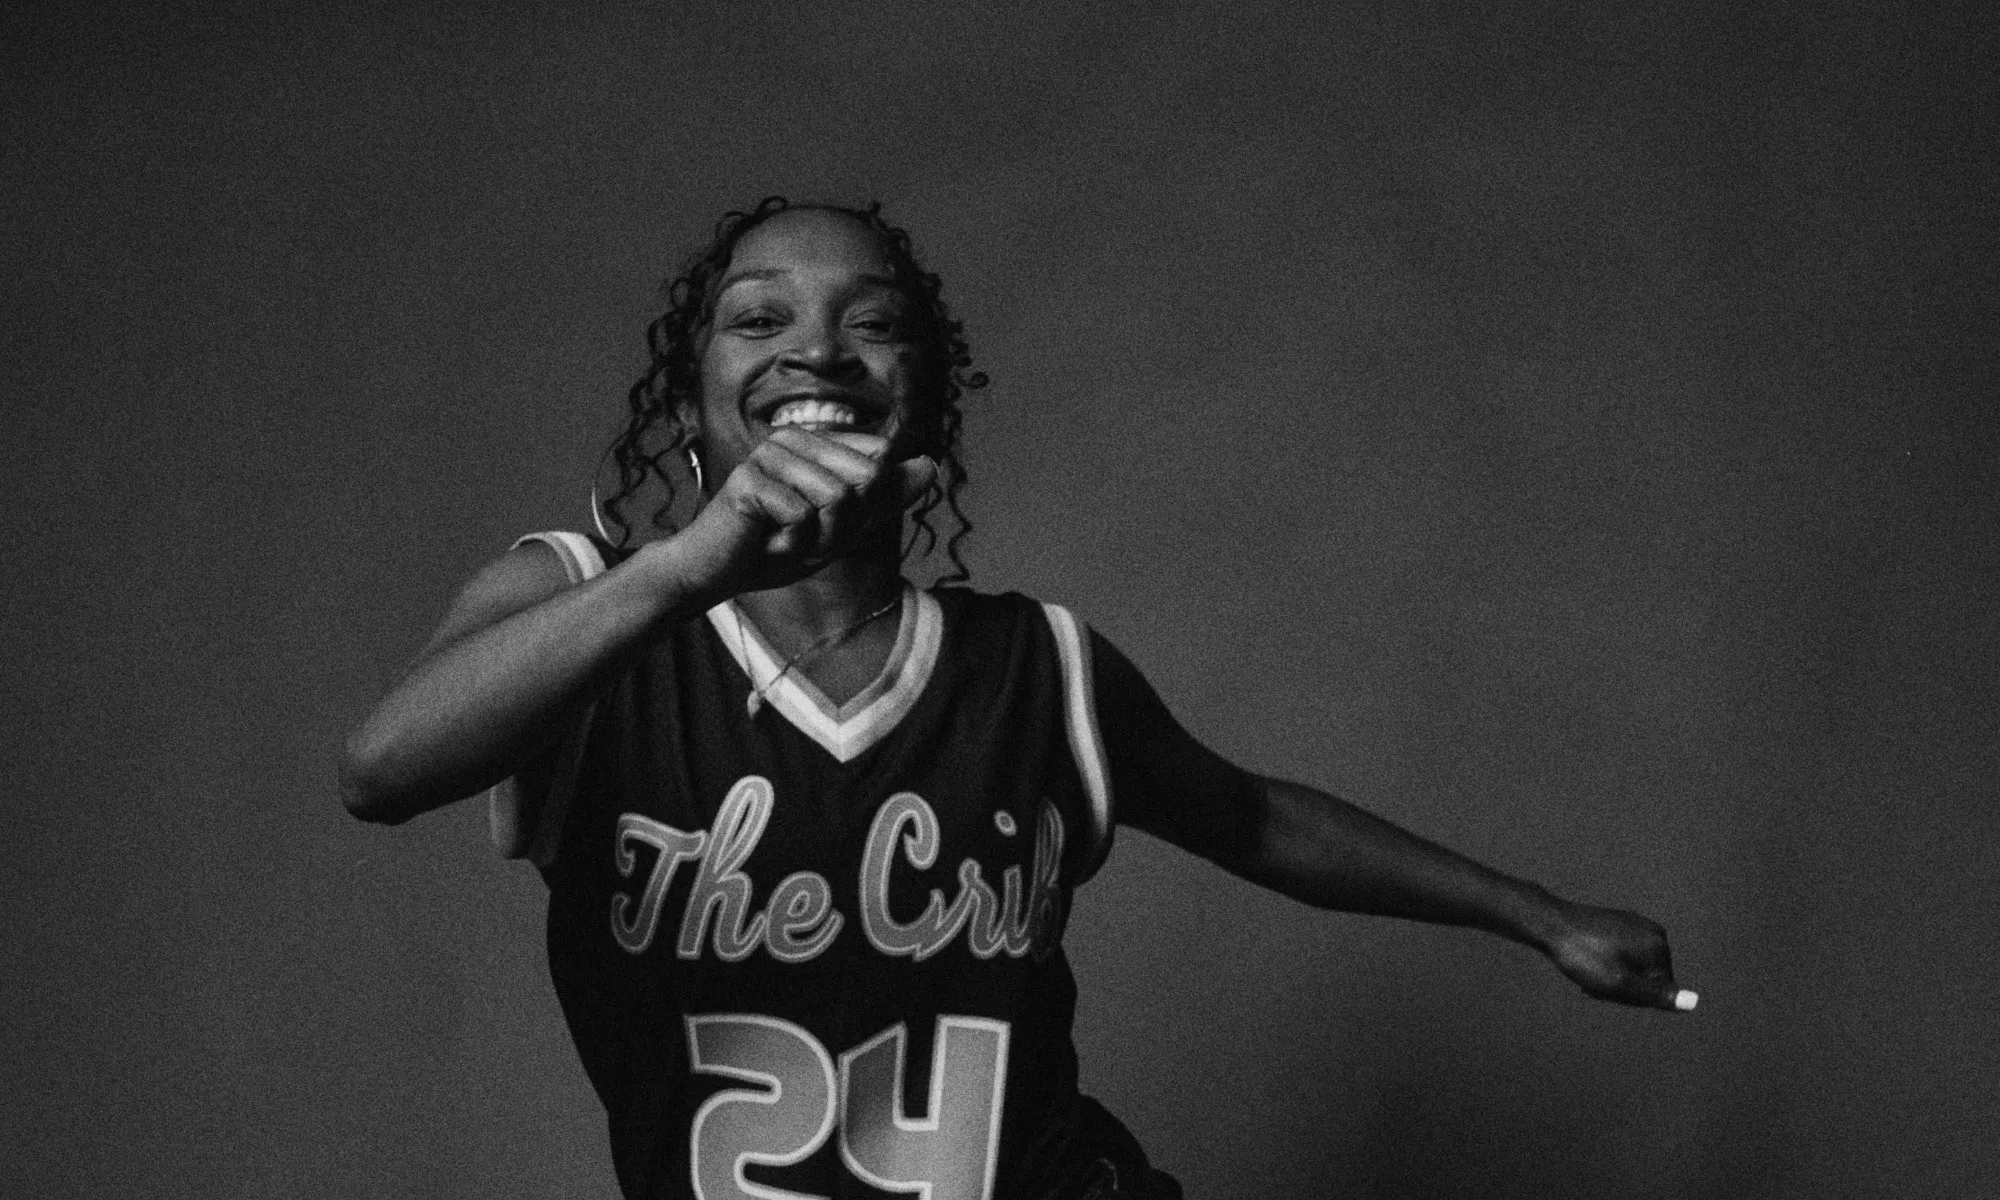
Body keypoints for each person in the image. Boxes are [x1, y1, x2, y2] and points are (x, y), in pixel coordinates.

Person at [341, 197, 1694, 1200]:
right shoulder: (580, 602)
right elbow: (382, 769)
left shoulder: (1036, 668)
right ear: (692, 409)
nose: (814, 350)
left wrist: (1543, 919)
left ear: (924, 407)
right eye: (758, 318)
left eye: (871, 324)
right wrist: (694, 566)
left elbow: (1256, 820)